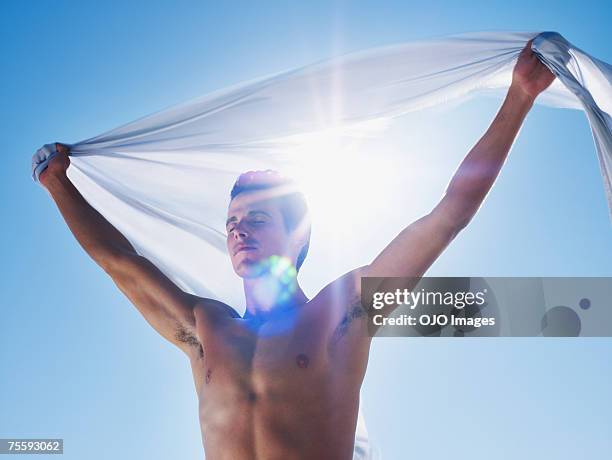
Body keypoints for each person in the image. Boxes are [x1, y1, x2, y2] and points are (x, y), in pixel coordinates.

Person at [38, 41, 554, 459]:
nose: (239, 231)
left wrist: (519, 97)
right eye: (233, 222)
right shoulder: (206, 329)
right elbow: (119, 263)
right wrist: (58, 184)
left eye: (257, 219)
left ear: (298, 235)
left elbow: (448, 214)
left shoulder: (342, 312)